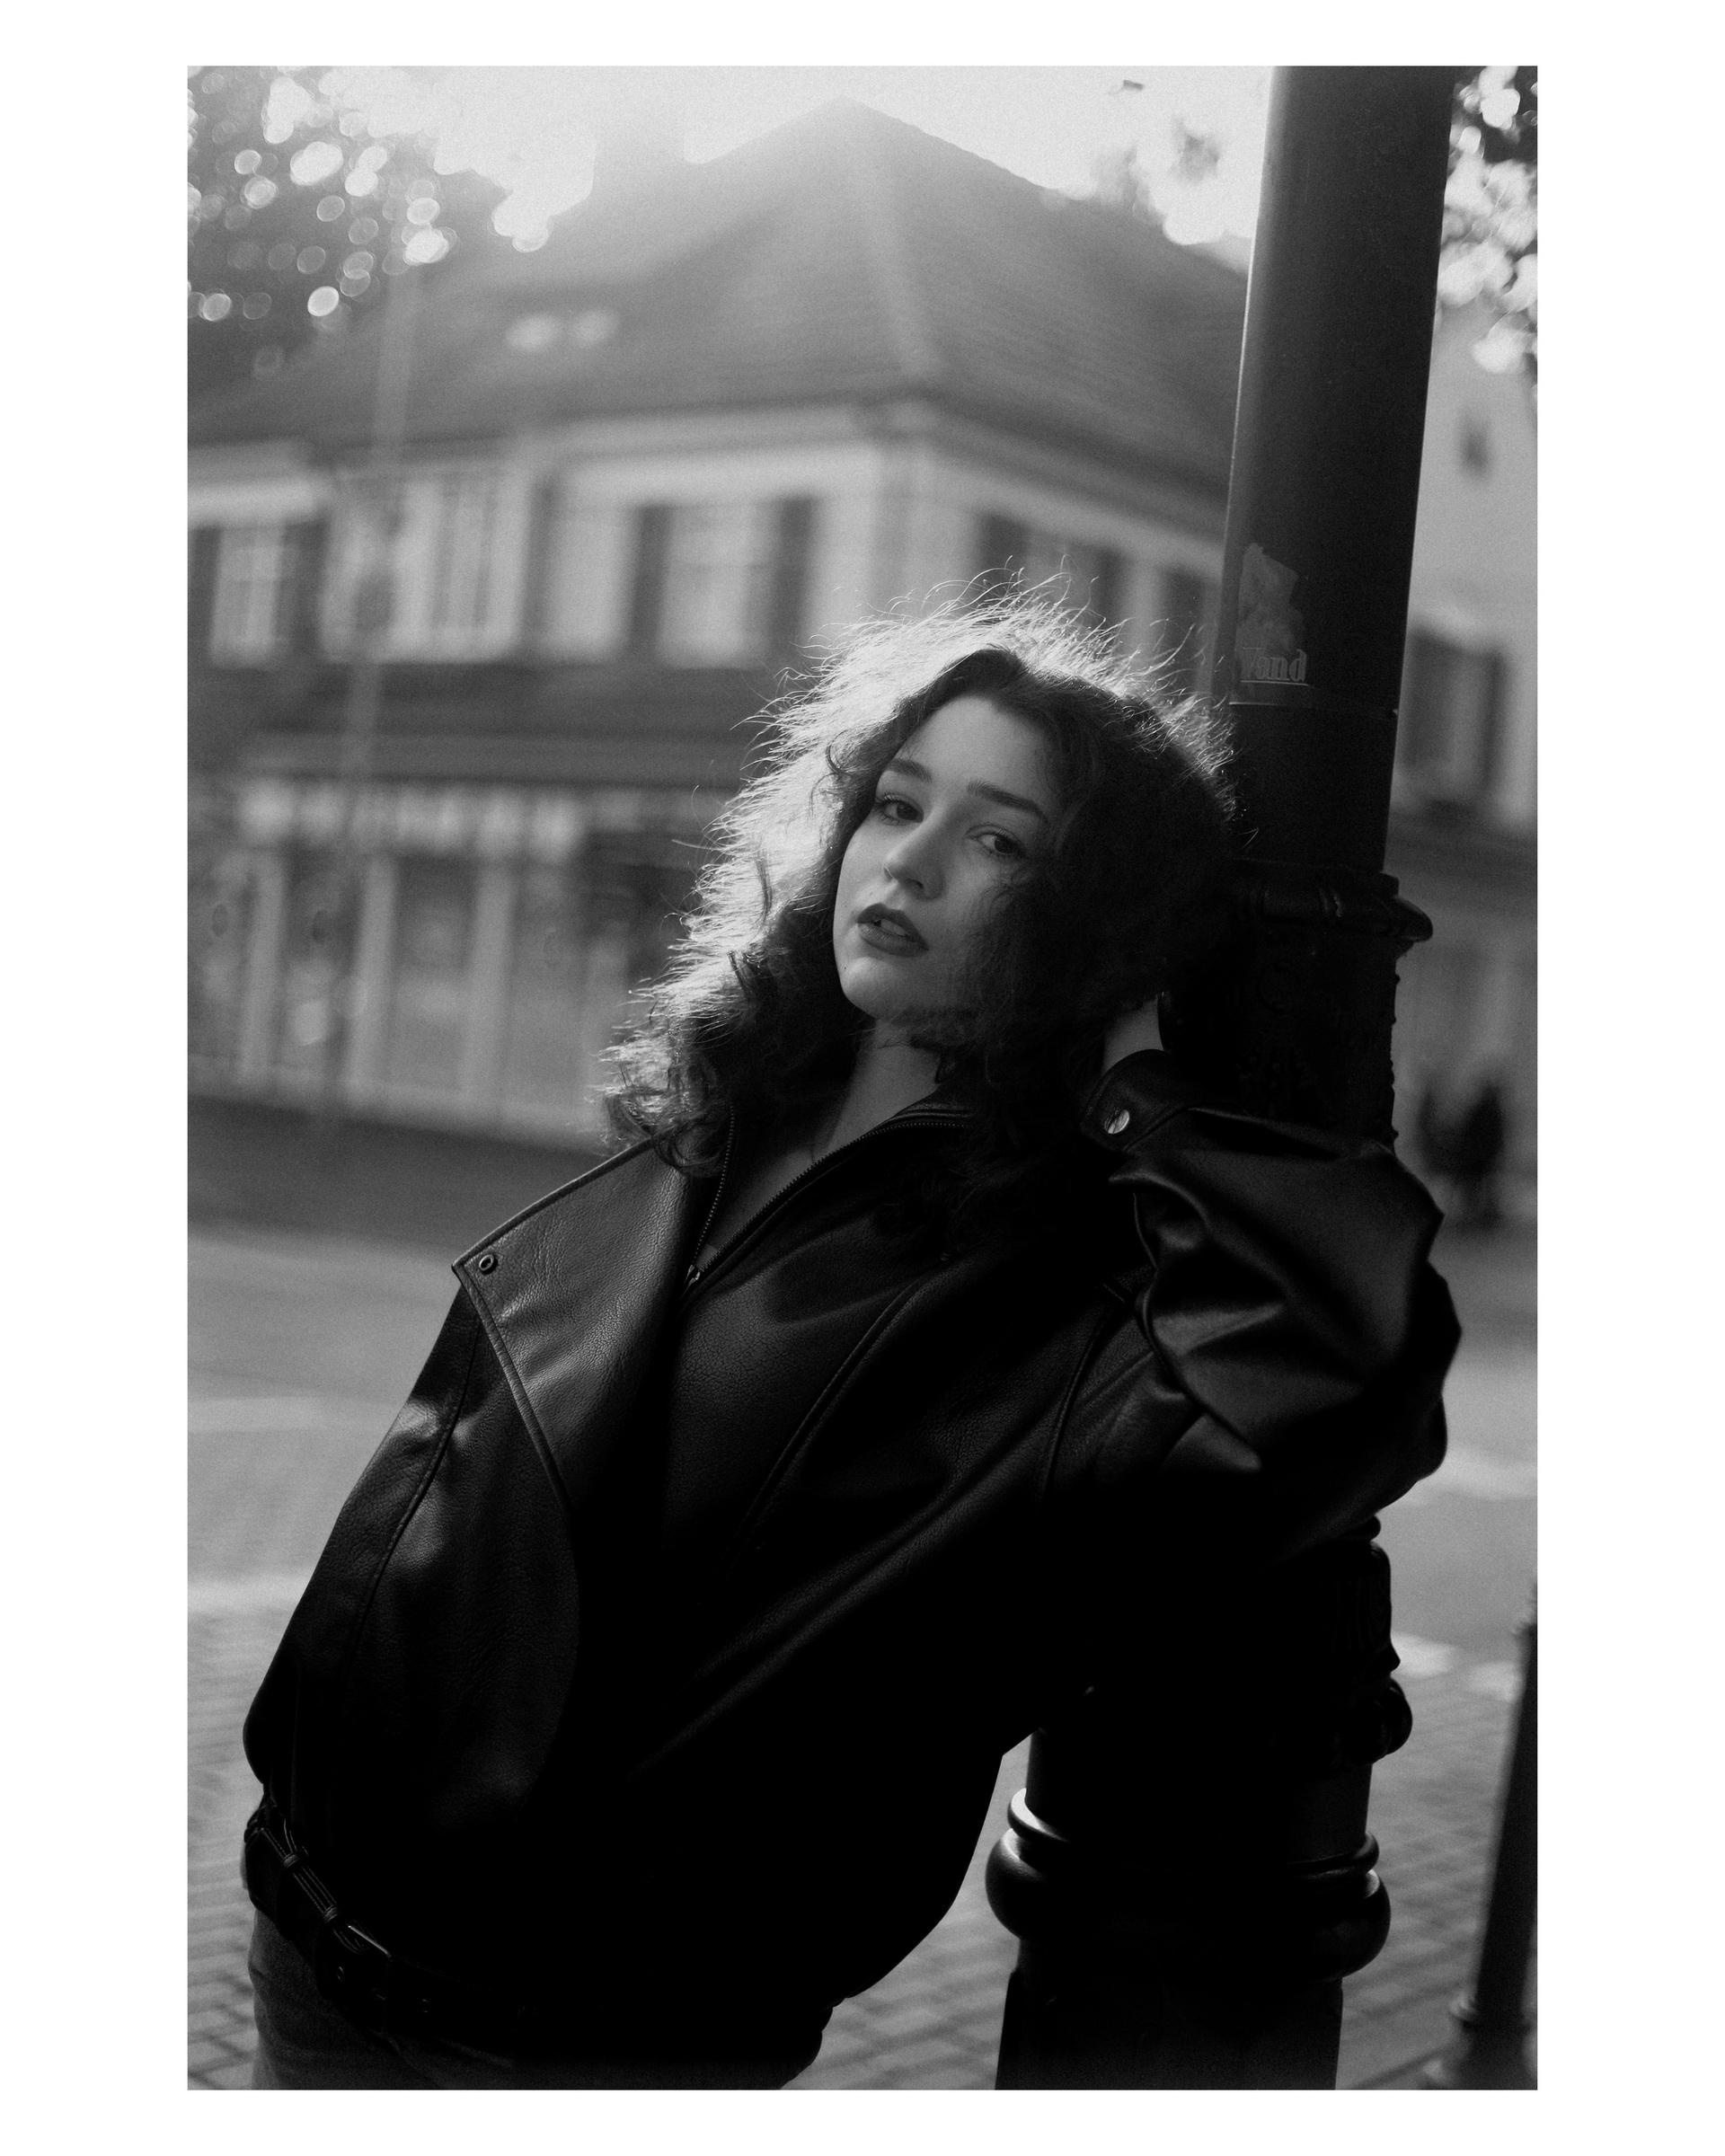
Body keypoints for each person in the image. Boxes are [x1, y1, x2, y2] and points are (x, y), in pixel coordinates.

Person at [240, 597, 1458, 2089]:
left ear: (1097, 917)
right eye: (896, 803)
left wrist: (1147, 1103)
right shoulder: (719, 1120)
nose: (912, 862)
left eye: (1001, 841)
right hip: (305, 1930)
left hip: (566, 2045)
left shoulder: (1050, 1288)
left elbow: (1333, 1379)